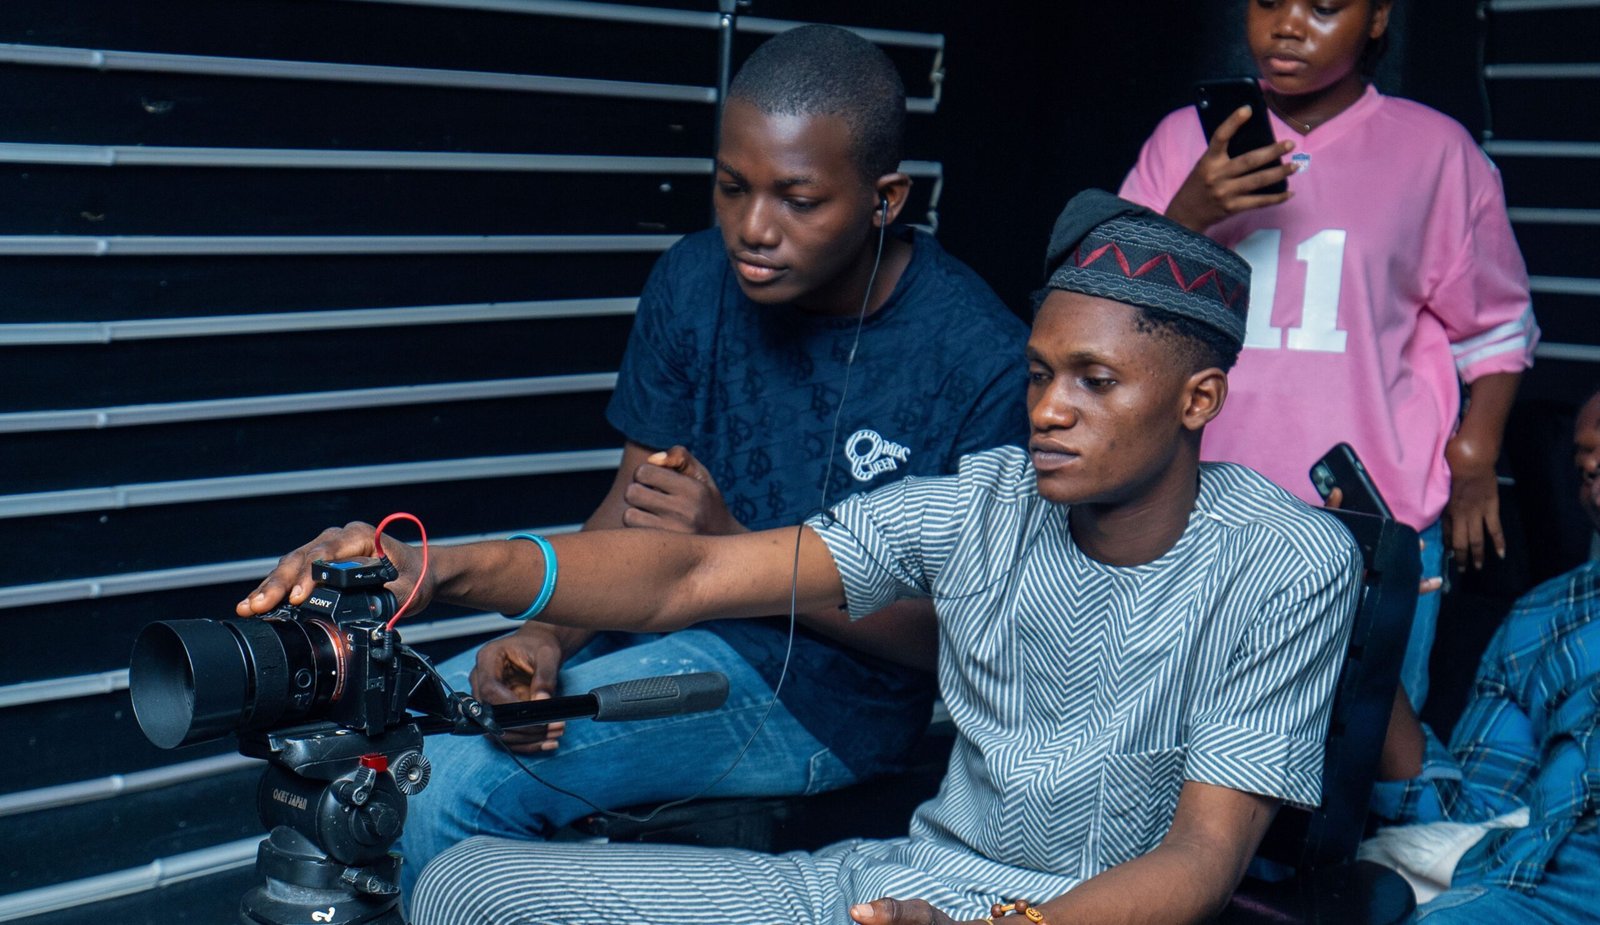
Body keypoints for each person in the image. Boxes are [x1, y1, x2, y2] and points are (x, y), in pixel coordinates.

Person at [243, 190, 1364, 925]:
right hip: (890, 888)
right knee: (468, 882)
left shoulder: (1285, 558)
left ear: (1197, 399)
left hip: (1064, 916)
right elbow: (689, 571)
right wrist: (437, 568)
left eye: (1095, 381)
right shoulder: (982, 503)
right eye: (1038, 374)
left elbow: (1202, 858)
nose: (1049, 410)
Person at [369, 24, 1030, 890]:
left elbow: (958, 639)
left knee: (452, 785)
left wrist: (731, 538)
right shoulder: (692, 281)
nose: (753, 228)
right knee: (407, 743)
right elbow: (629, 508)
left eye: (798, 200)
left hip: (827, 697)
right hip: (652, 627)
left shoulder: (980, 359)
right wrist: (544, 635)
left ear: (885, 199)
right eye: (731, 186)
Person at [1117, 0, 1539, 711]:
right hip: (1195, 513)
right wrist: (1188, 214)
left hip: (1369, 518)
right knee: (1178, 741)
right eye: (1268, 2)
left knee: (1361, 753)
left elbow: (1497, 325)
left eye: (1322, 7)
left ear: (1376, 18)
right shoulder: (1185, 139)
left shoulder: (1436, 151)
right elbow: (1105, 310)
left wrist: (1474, 455)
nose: (1286, 26)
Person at [1365, 386, 1600, 922]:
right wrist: (1367, 626)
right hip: (1560, 874)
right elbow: (1463, 819)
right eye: (1584, 463)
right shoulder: (1543, 617)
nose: (1592, 474)